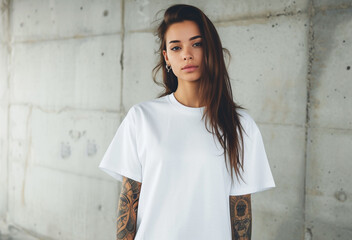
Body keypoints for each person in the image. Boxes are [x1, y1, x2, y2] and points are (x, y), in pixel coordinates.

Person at [99, 4, 276, 240]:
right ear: (167, 58)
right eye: (176, 47)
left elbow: (240, 212)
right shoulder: (142, 118)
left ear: (210, 49)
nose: (186, 54)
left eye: (197, 43)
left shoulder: (240, 125)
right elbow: (128, 205)